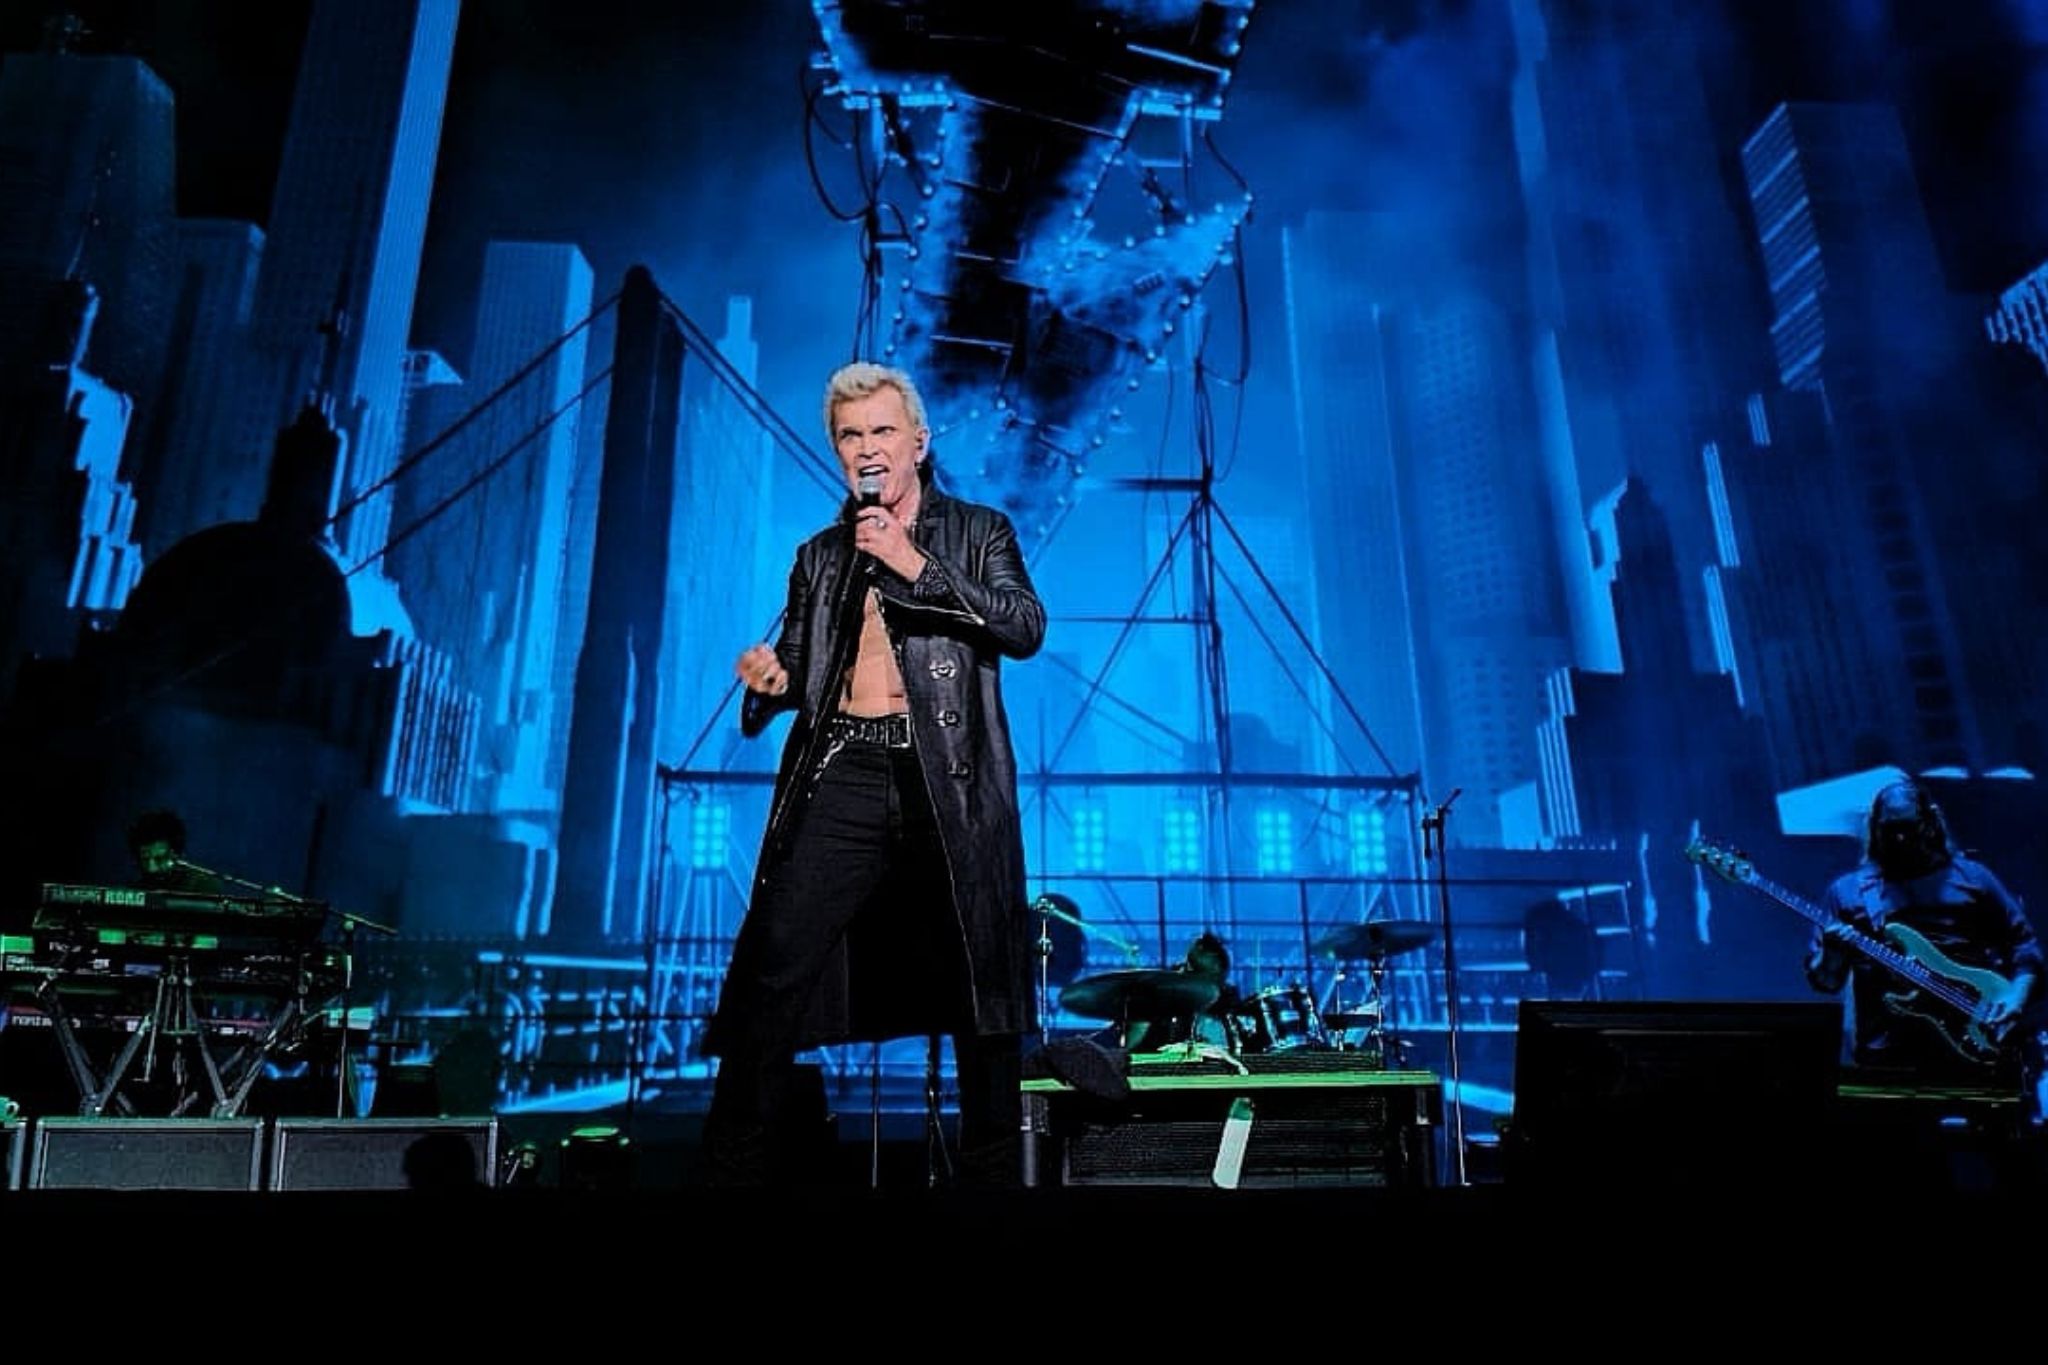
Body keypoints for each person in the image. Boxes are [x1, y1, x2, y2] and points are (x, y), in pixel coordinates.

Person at [699, 361, 1046, 1188]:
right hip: (847, 765)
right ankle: (732, 1172)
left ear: (917, 444)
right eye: (851, 435)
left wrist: (912, 561)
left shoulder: (980, 531)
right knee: (771, 966)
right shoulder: (821, 556)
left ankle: (994, 1177)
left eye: (882, 430)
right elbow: (798, 663)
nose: (867, 447)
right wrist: (772, 681)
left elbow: (1023, 625)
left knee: (979, 988)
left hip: (949, 779)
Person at [1806, 779, 2043, 1093]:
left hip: (1976, 1052)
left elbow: (2025, 946)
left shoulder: (1973, 878)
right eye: (1890, 830)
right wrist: (1832, 955)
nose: (1900, 839)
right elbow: (1826, 982)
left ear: (1931, 822)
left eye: (1909, 828)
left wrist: (2015, 998)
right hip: (1888, 1058)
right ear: (1874, 828)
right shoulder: (1848, 892)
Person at [1123, 931, 1244, 1054]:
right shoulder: (1160, 997)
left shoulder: (1226, 1000)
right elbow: (1132, 1046)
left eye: (1218, 981)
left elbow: (1236, 1040)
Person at [124, 808, 225, 894]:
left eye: (160, 859)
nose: (151, 868)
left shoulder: (202, 886)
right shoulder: (135, 891)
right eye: (145, 859)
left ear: (176, 854)